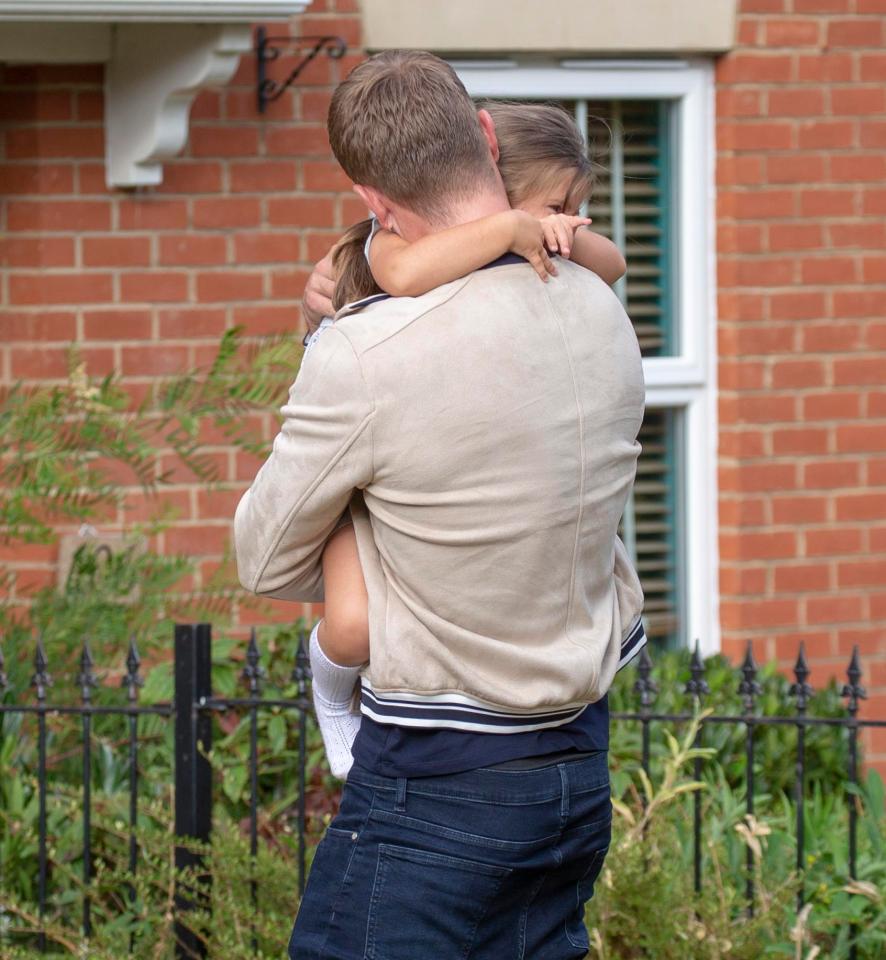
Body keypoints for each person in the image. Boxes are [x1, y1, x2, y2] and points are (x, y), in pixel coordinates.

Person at [234, 49, 646, 959]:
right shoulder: (600, 305)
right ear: (487, 138)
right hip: (574, 773)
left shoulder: (368, 350)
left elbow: (262, 559)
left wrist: (330, 360)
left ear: (374, 200)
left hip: (439, 787)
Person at [305, 101, 629, 780]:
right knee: (352, 624)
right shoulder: (386, 240)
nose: (558, 224)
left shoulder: (536, 249)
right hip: (362, 469)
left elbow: (612, 263)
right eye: (551, 204)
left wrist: (557, 226)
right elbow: (400, 280)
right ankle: (333, 695)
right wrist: (507, 229)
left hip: (439, 481)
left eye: (572, 206)